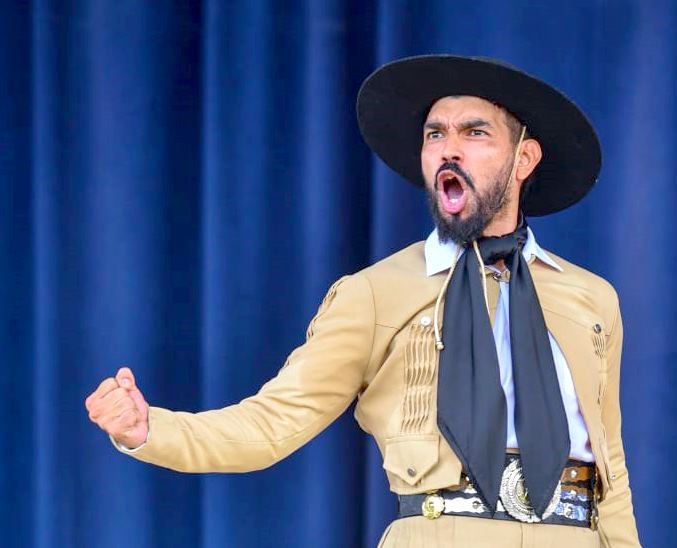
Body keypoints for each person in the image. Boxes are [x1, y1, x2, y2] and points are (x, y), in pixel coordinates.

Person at [85, 54, 640, 547]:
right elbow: (272, 423)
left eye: (475, 133)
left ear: (524, 159)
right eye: (435, 134)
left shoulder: (591, 299)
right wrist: (149, 430)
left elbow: (609, 465)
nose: (448, 149)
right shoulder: (374, 292)